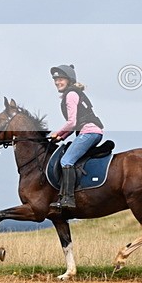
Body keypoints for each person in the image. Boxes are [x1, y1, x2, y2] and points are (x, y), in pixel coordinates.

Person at [49, 65, 104, 210]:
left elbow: (72, 122)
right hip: (92, 131)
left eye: (60, 79)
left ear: (69, 80)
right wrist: (61, 137)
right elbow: (75, 125)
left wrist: (57, 132)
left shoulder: (71, 95)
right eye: (55, 79)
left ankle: (68, 198)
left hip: (89, 132)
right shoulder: (74, 93)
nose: (57, 82)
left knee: (66, 160)